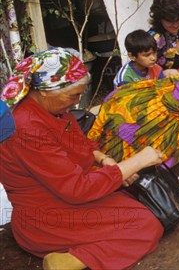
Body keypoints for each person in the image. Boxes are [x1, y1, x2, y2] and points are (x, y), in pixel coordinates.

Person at [0, 48, 165, 270]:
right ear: (47, 91)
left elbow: (80, 143)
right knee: (146, 225)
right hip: (46, 219)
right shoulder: (27, 127)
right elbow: (77, 189)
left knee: (137, 203)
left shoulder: (50, 108)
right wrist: (137, 160)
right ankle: (70, 261)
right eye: (73, 96)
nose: (77, 102)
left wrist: (104, 159)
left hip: (63, 196)